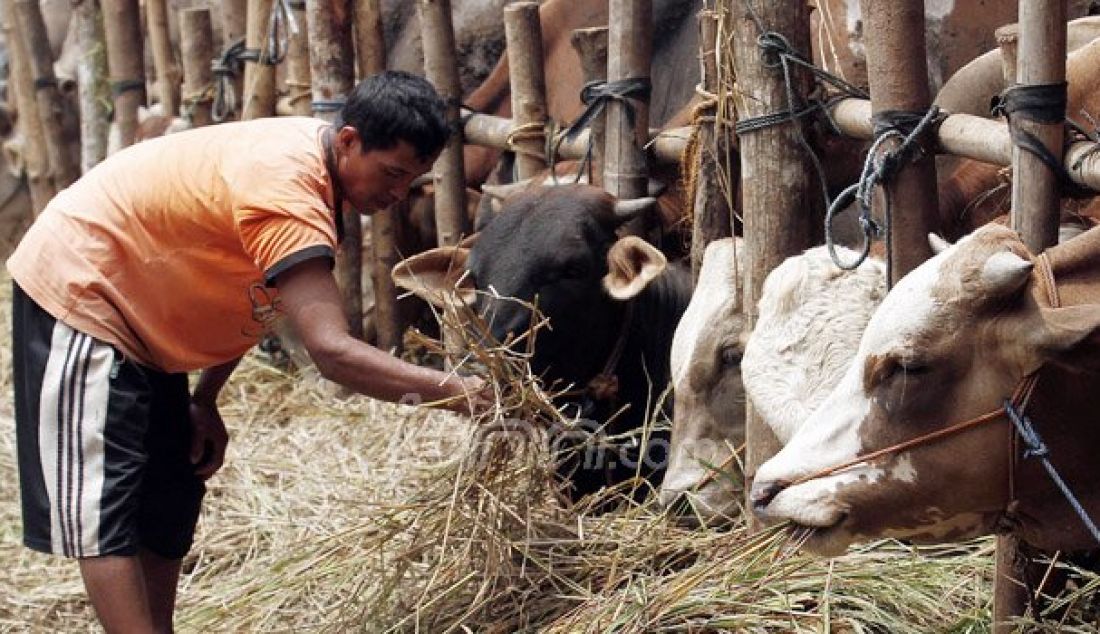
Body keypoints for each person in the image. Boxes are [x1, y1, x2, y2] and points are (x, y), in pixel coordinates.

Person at [8, 70, 487, 632]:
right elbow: (332, 352)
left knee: (170, 491)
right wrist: (463, 394)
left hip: (146, 307)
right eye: (393, 174)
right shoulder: (288, 189)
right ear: (350, 141)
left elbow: (259, 293)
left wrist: (206, 397)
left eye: (412, 180)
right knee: (105, 507)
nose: (398, 195)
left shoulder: (323, 172)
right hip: (85, 288)